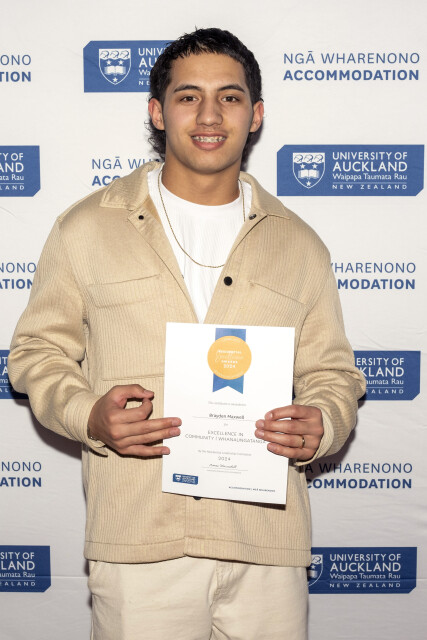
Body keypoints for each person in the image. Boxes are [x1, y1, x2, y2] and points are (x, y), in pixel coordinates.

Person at [8, 27, 365, 640]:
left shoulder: (300, 244)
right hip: (139, 539)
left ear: (255, 115)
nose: (209, 115)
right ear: (157, 111)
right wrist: (88, 414)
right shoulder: (86, 228)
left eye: (229, 97)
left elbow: (333, 373)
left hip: (264, 541)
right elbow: (36, 352)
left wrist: (324, 422)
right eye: (188, 96)